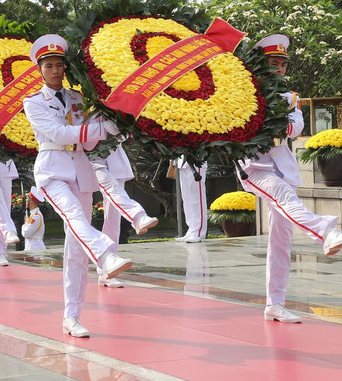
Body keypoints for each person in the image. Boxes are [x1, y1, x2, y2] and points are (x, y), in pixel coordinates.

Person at [239, 34, 342, 324]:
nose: (278, 69)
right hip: (254, 167)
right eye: (273, 63)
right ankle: (325, 231)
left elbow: (295, 128)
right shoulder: (242, 93)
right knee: (285, 197)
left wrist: (271, 122)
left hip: (282, 167)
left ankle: (274, 304)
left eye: (282, 64)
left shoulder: (290, 98)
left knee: (281, 242)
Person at [22, 34, 132, 338]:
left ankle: (72, 315)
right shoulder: (33, 102)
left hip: (81, 171)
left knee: (74, 248)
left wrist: (115, 126)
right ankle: (105, 254)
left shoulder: (79, 99)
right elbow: (59, 133)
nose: (55, 70)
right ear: (40, 70)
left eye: (59, 65)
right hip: (53, 171)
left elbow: (93, 137)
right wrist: (100, 127)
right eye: (49, 66)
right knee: (74, 216)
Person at [91, 142, 158, 287]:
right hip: (88, 156)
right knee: (78, 219)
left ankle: (107, 271)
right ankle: (137, 217)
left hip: (113, 155)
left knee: (113, 220)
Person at [174, 158, 208, 242]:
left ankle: (198, 232)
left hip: (196, 162)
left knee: (197, 198)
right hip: (182, 162)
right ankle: (192, 229)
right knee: (187, 198)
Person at [21, 186, 47, 252]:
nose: (26, 200)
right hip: (32, 247)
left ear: (31, 201)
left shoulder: (36, 216)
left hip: (35, 248)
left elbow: (26, 233)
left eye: (27, 199)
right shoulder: (33, 214)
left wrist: (24, 224)